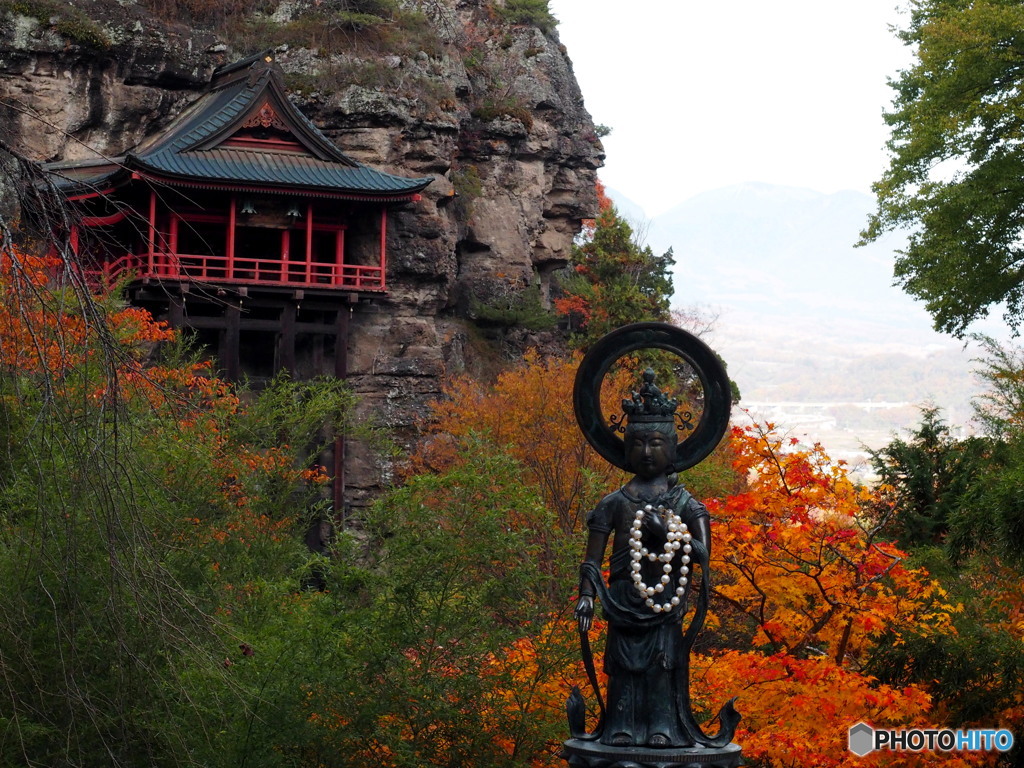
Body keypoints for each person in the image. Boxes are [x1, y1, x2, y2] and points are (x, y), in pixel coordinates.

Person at [574, 369, 715, 749]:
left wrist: (667, 533)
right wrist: (586, 595)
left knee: (660, 667)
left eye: (655, 443)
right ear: (624, 449)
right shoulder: (614, 503)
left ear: (673, 449)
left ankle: (662, 727)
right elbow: (592, 560)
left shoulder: (685, 504)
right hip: (622, 599)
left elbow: (703, 555)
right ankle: (620, 725)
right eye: (637, 444)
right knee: (621, 668)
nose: (647, 452)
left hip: (664, 599)